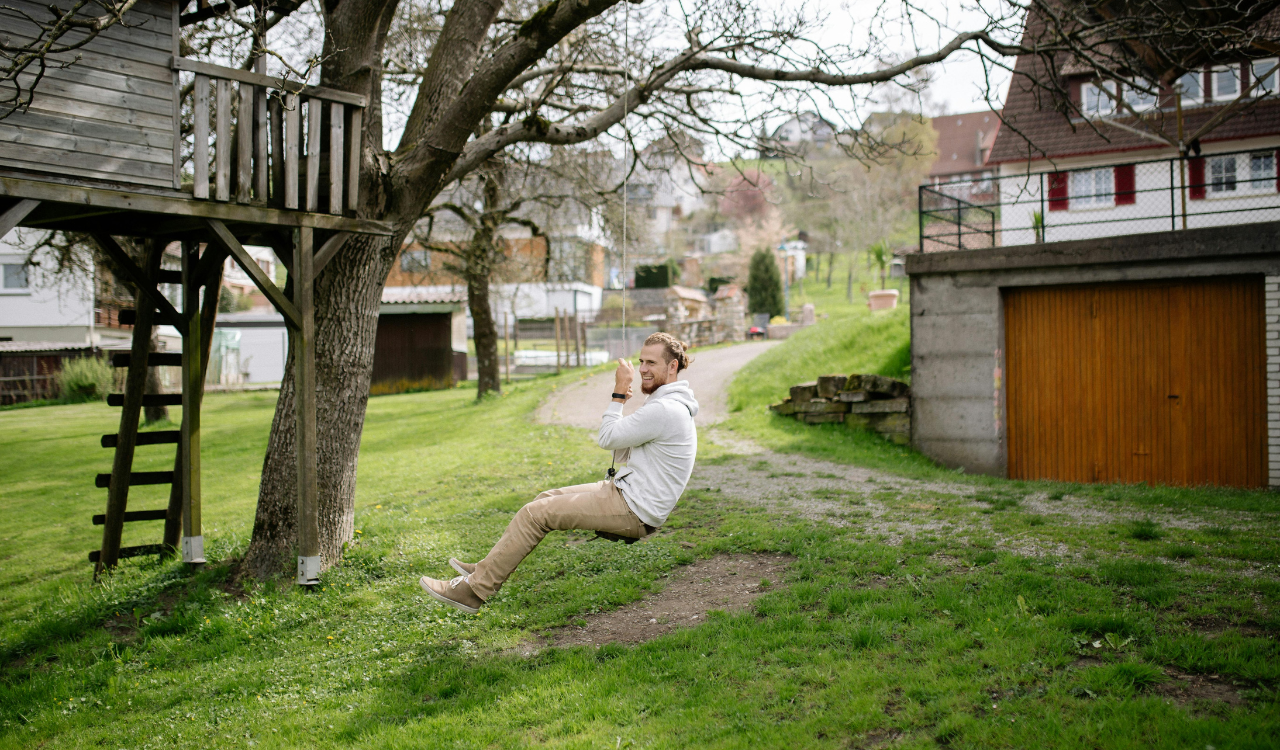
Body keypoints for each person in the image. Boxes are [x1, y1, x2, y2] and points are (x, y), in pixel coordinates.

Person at [420, 332, 699, 613]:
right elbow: (626, 446)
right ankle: (487, 569)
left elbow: (607, 439)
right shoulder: (668, 404)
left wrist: (617, 394)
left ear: (672, 366)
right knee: (544, 499)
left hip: (635, 508)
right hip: (629, 493)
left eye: (651, 362)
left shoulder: (665, 409)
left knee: (534, 515)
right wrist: (621, 404)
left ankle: (473, 591)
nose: (642, 369)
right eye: (641, 361)